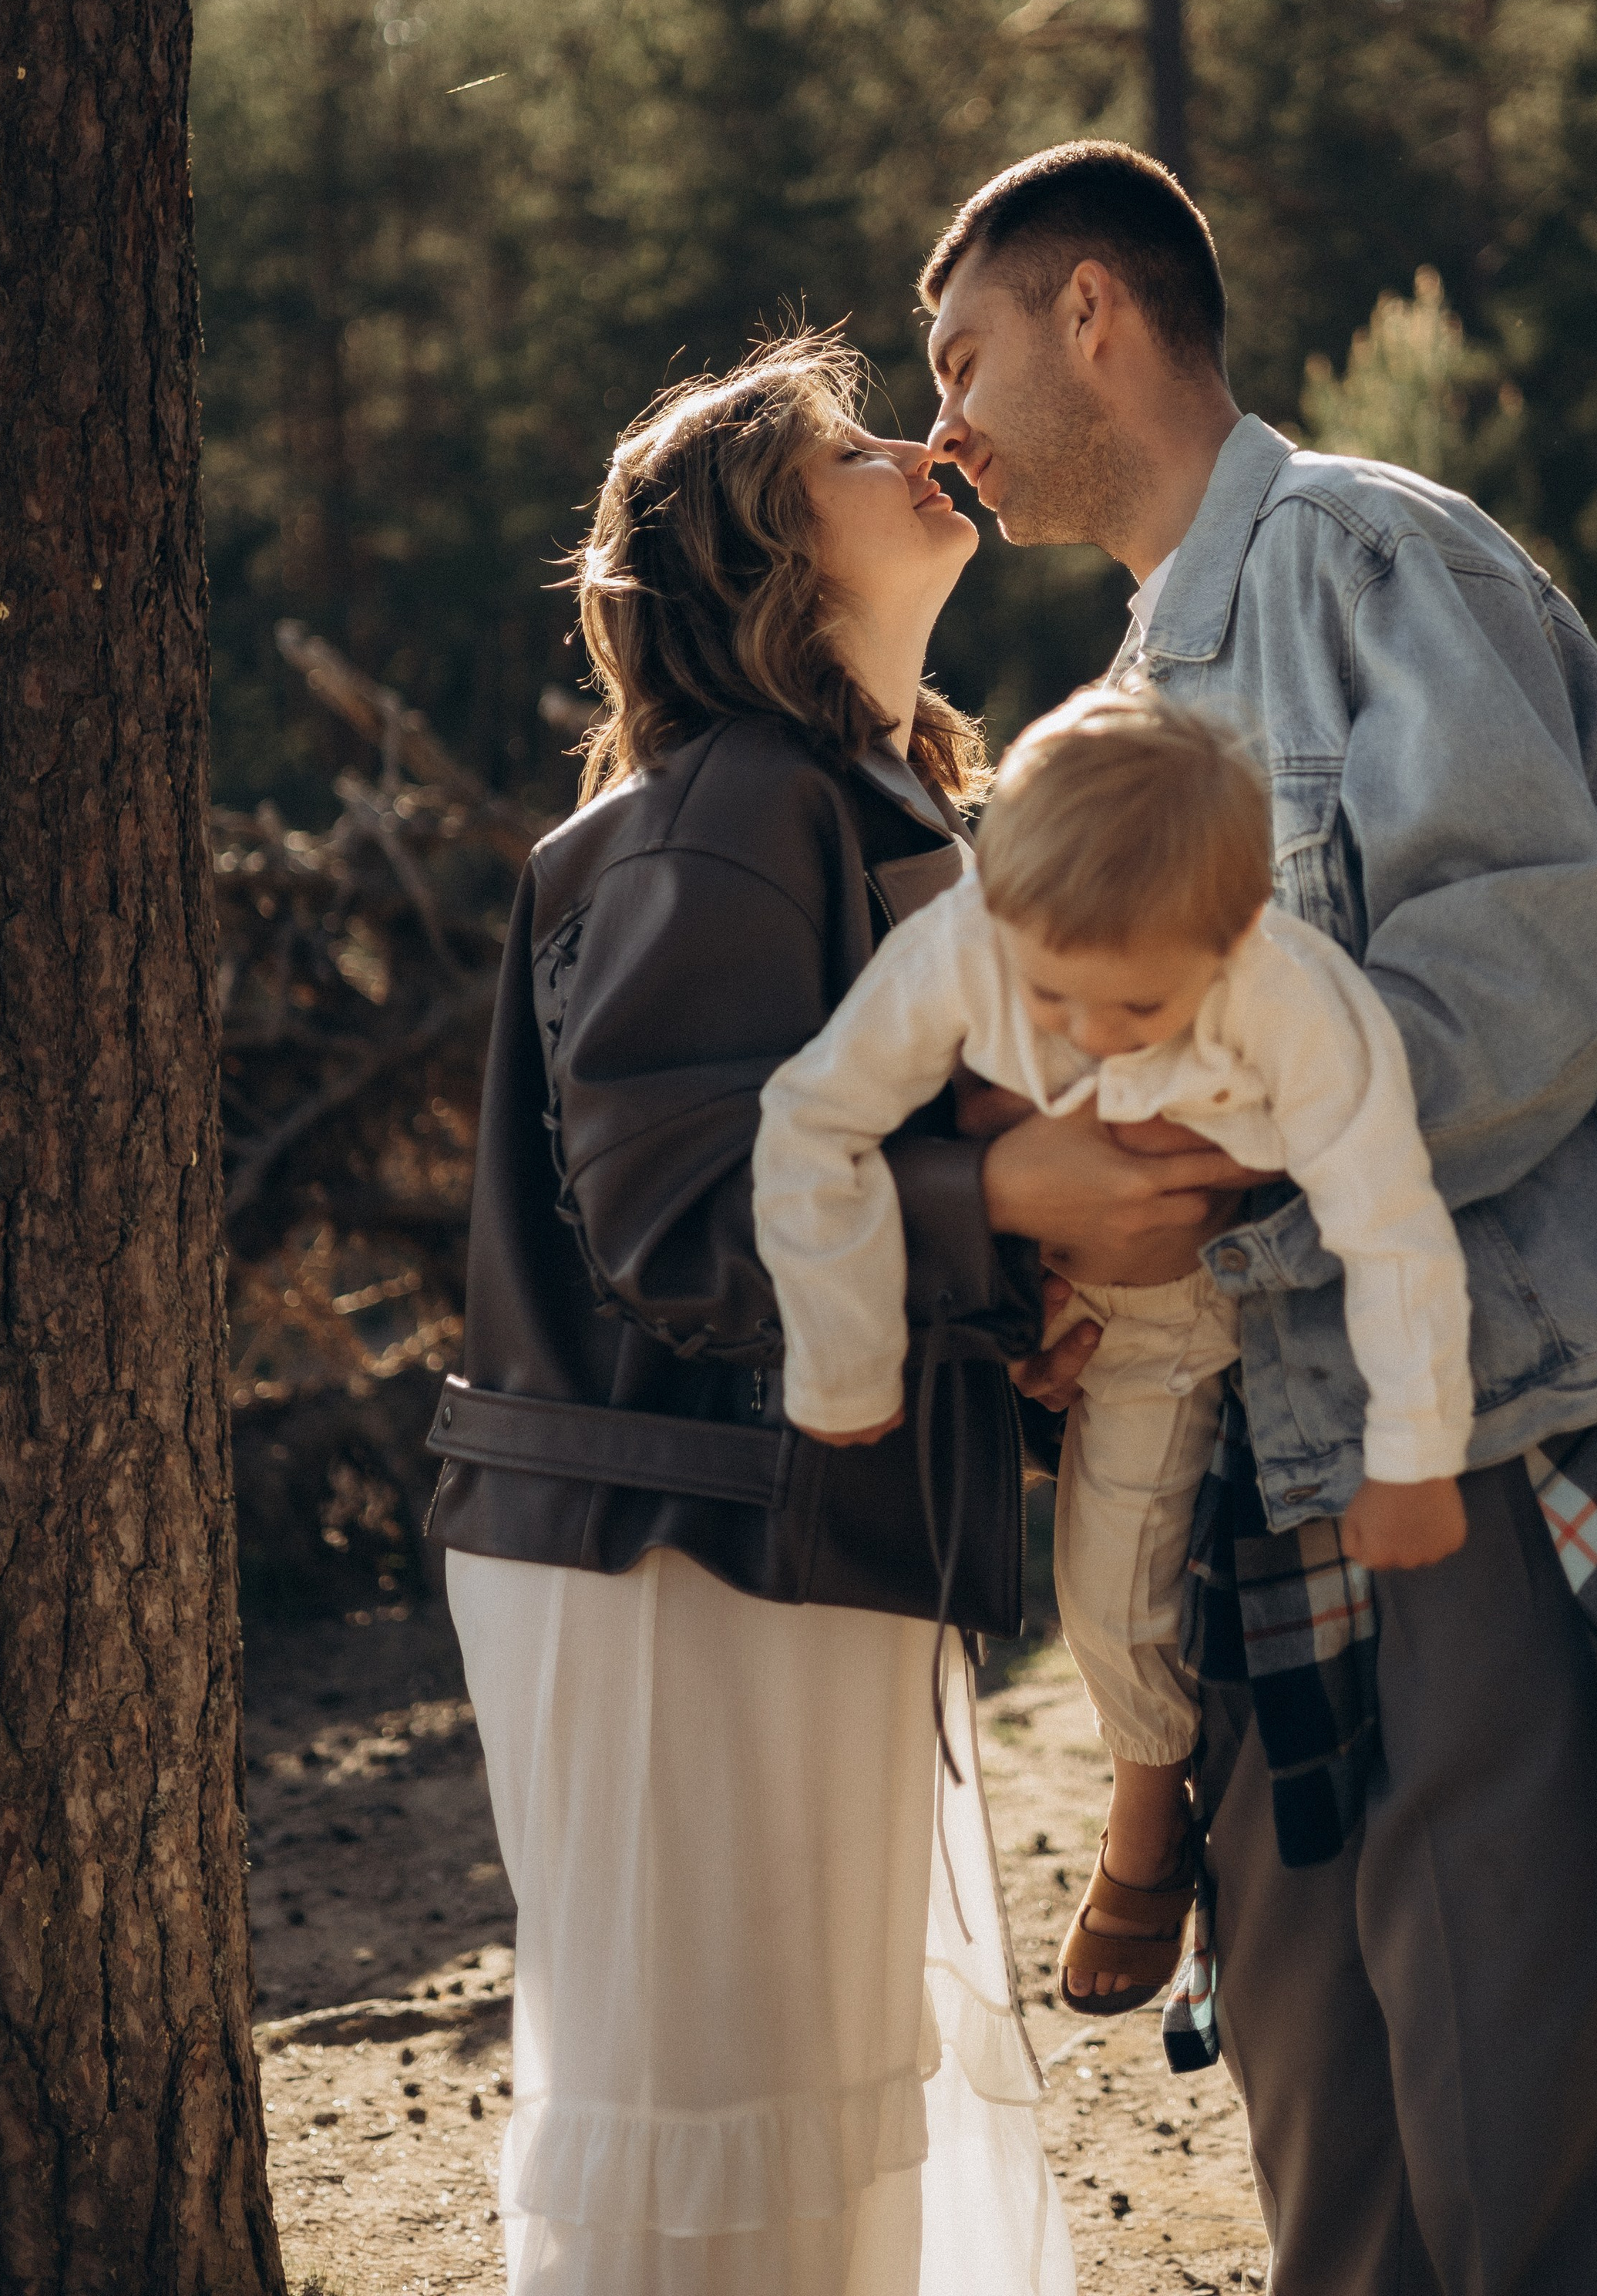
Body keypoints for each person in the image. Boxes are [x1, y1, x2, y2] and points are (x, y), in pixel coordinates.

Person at [911, 140, 1597, 2296]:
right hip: (1258, 1481)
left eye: (961, 352)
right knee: (1329, 2133)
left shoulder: (1367, 555)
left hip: (1493, 1448)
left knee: (1518, 2127)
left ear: (1098, 311)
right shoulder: (1133, 686)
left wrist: (1205, 1173)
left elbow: (1525, 965)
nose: (943, 424)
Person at [424, 338, 1088, 2296]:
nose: (913, 446)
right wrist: (1008, 1207)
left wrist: (1005, 1313)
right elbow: (684, 1220)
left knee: (806, 2094)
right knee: (720, 2113)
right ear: (754, 555)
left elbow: (841, 1188)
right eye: (847, 445)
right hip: (671, 1558)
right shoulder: (723, 809)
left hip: (775, 1538)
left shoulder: (861, 792)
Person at [751, 685, 1472, 2016]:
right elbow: (812, 1124)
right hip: (1011, 1265)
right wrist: (848, 1361)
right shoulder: (964, 946)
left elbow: (1392, 1223)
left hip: (1194, 1294)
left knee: (1103, 1586)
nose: (1083, 1034)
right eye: (1048, 993)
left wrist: (1413, 1456)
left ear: (1236, 939)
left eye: (1134, 1007)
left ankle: (1150, 1811)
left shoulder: (1294, 1000)